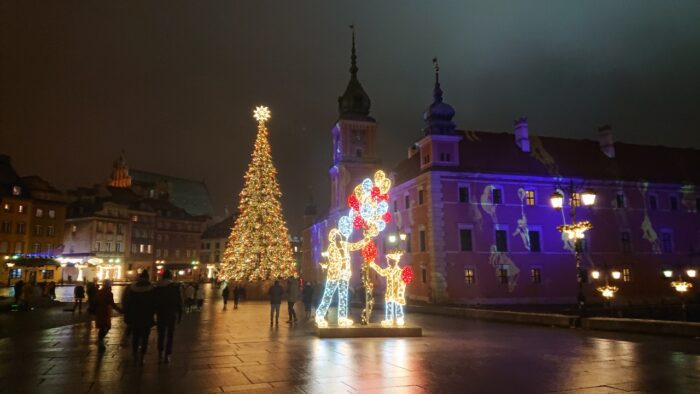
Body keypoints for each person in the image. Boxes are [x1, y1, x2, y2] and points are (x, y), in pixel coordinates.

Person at [125, 271, 155, 364]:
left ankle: (135, 355)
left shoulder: (132, 288)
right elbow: (154, 304)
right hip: (146, 316)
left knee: (135, 336)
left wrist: (127, 315)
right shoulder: (151, 289)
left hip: (135, 316)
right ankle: (142, 356)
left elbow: (128, 303)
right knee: (145, 337)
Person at [154, 269, 182, 363]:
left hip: (161, 313)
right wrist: (180, 314)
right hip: (171, 313)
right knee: (170, 335)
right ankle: (167, 354)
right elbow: (179, 301)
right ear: (170, 277)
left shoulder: (157, 287)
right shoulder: (174, 287)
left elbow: (154, 301)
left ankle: (160, 352)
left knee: (161, 334)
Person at [93, 280, 122, 350]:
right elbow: (112, 304)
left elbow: (94, 301)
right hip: (105, 311)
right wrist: (119, 310)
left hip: (99, 311)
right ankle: (100, 339)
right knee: (107, 326)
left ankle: (100, 340)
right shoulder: (109, 293)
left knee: (102, 327)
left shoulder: (99, 292)